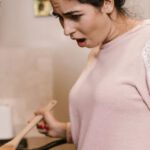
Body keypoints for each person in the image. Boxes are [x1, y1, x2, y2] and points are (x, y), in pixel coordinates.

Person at [34, 0, 150, 149]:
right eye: (59, 17)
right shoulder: (98, 50)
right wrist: (62, 130)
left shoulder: (146, 43)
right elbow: (112, 126)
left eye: (75, 16)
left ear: (108, 3)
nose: (66, 30)